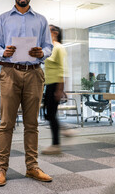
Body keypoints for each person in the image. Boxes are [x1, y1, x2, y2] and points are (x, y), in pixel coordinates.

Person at [0, 0, 54, 187]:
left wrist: (42, 52)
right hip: (10, 73)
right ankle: (1, 169)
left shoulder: (41, 20)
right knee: (6, 124)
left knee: (32, 124)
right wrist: (3, 52)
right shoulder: (3, 19)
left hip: (35, 73)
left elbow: (48, 47)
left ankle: (32, 167)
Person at [41, 25, 67, 155]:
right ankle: (63, 128)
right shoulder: (49, 48)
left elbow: (62, 69)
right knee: (48, 114)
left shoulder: (59, 48)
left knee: (51, 114)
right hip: (48, 84)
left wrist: (60, 88)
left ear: (54, 33)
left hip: (55, 84)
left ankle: (56, 145)